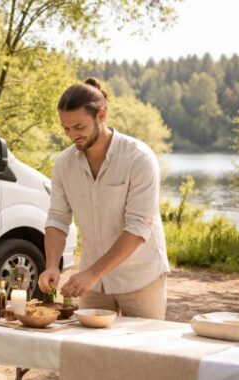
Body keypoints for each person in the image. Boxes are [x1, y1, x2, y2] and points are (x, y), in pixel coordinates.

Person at [37, 77, 169, 320]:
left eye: (79, 127)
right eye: (66, 128)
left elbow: (139, 227)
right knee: (90, 354)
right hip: (94, 284)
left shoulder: (139, 159)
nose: (72, 135)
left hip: (140, 277)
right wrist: (52, 265)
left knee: (141, 355)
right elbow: (57, 218)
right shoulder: (64, 165)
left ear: (101, 115)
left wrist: (92, 273)